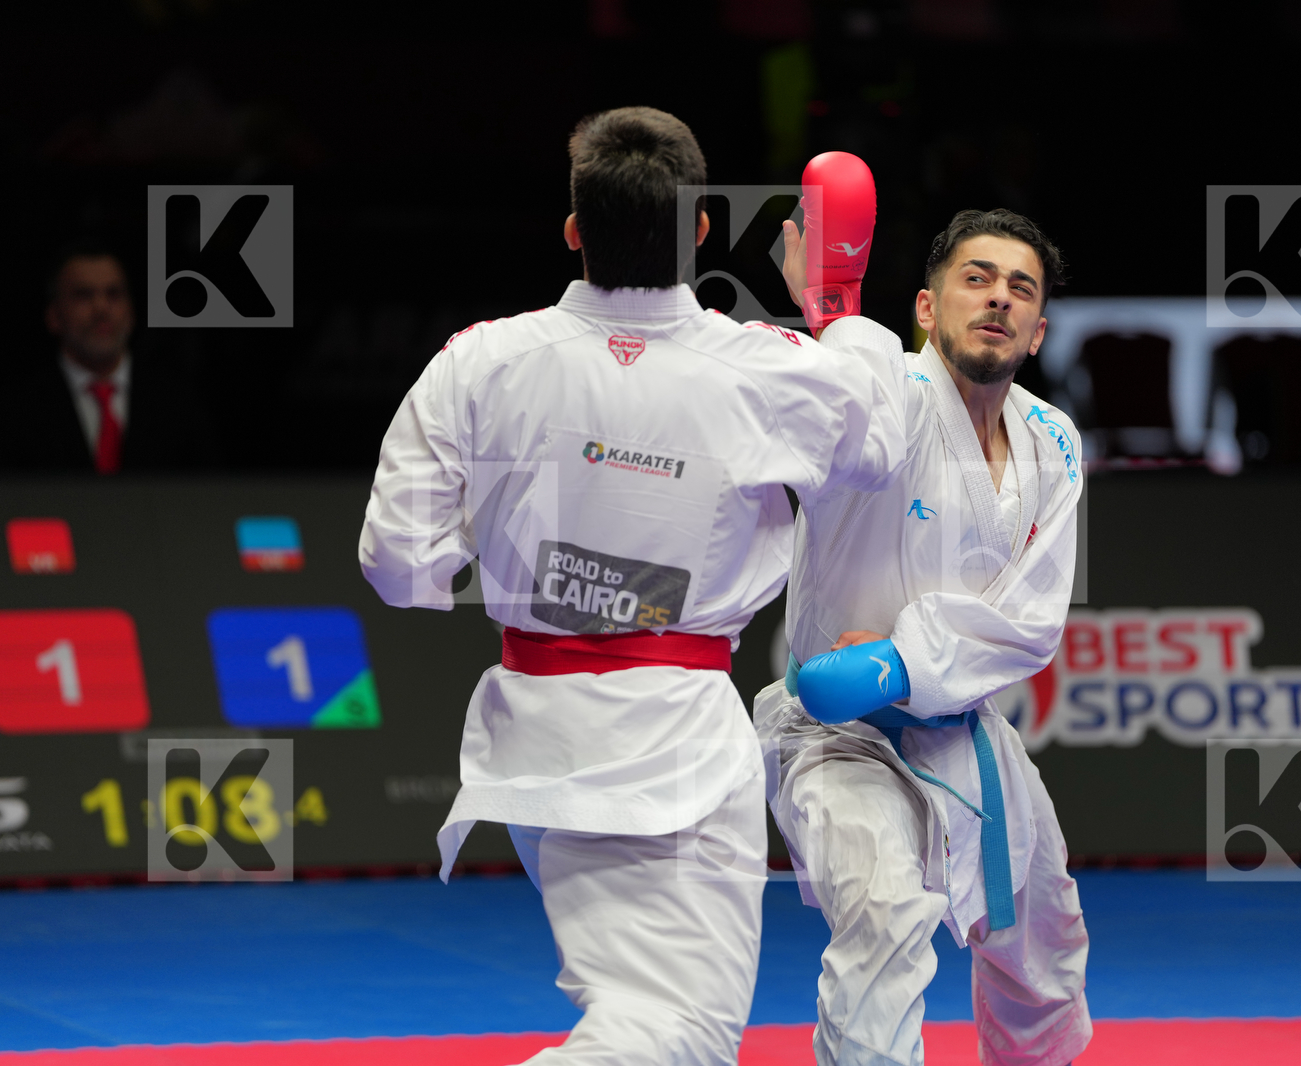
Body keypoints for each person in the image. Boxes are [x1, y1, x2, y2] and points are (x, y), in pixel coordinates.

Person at [358, 108, 907, 1065]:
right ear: (700, 229)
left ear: (573, 230)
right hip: (674, 746)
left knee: (633, 1018)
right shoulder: (764, 370)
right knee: (681, 1039)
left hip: (533, 735)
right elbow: (881, 444)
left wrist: (513, 546)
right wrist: (837, 306)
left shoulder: (479, 361)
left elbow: (399, 567)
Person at [756, 208, 1090, 1066]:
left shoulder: (1053, 439)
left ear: (1039, 329)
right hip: (838, 735)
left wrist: (900, 659)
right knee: (883, 924)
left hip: (967, 734)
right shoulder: (881, 396)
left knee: (1044, 955)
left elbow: (1032, 621)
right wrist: (831, 315)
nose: (998, 300)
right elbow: (817, 406)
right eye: (975, 279)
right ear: (926, 309)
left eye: (1021, 288)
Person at [0, 245, 215, 473]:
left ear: (131, 313)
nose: (101, 308)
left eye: (113, 294)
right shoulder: (14, 411)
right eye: (83, 295)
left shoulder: (177, 402)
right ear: (53, 316)